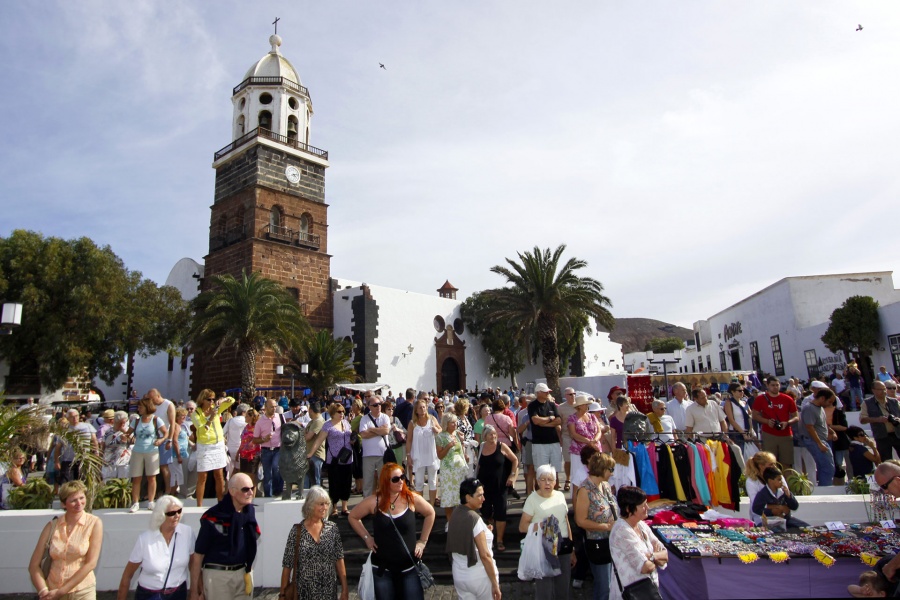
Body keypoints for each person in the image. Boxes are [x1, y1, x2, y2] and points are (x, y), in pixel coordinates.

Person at [348, 463, 436, 600]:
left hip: (409, 567)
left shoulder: (411, 499)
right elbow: (353, 516)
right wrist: (367, 537)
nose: (401, 481)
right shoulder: (374, 501)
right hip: (383, 569)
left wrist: (422, 541)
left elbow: (430, 513)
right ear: (385, 482)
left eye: (402, 477)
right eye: (395, 479)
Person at [28, 480, 104, 600]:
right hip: (52, 590)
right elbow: (33, 566)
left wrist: (61, 591)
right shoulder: (52, 526)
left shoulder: (94, 523)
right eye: (73, 500)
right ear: (64, 504)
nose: (79, 503)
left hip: (83, 592)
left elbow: (91, 563)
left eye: (81, 498)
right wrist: (44, 592)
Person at [191, 473, 260, 600]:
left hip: (243, 573)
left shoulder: (249, 512)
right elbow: (198, 554)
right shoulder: (213, 516)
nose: (250, 492)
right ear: (232, 491)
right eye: (245, 489)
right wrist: (194, 590)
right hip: (218, 577)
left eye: (252, 488)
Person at [117, 495, 194, 600]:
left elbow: (194, 565)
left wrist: (195, 591)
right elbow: (127, 574)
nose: (177, 515)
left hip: (178, 593)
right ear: (161, 515)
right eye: (171, 513)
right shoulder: (145, 539)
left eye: (179, 511)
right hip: (150, 595)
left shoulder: (187, 533)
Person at [279, 485, 348, 600]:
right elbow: (287, 565)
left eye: (327, 503)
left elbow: (339, 559)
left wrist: (345, 589)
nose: (325, 507)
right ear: (310, 505)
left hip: (328, 592)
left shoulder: (332, 529)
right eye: (321, 504)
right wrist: (282, 594)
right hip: (304, 593)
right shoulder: (297, 531)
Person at [519, 464, 574, 599]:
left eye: (550, 479)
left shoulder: (560, 496)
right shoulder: (532, 499)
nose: (547, 483)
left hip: (563, 547)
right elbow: (522, 527)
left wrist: (572, 549)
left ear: (555, 482)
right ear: (538, 482)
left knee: (563, 589)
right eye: (543, 479)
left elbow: (566, 521)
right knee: (545, 591)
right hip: (544, 548)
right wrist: (542, 525)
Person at [446, 478, 502, 600]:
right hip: (479, 576)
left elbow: (464, 533)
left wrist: (485, 530)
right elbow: (485, 555)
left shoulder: (456, 513)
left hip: (460, 575)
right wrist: (494, 584)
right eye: (479, 495)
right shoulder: (474, 518)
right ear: (468, 497)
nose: (483, 499)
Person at [608, 486, 667, 600]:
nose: (647, 507)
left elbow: (665, 554)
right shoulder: (622, 531)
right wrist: (655, 558)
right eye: (643, 505)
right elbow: (645, 567)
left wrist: (651, 556)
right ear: (629, 509)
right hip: (630, 594)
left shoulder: (641, 525)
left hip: (648, 591)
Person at [575, 452, 618, 600]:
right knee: (603, 586)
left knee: (610, 584)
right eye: (610, 469)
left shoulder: (605, 486)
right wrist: (606, 527)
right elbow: (580, 521)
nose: (612, 473)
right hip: (597, 543)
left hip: (611, 541)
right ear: (602, 469)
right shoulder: (585, 491)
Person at [476, 425, 518, 552]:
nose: (493, 436)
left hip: (500, 486)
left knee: (501, 512)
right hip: (484, 487)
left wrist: (512, 476)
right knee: (485, 511)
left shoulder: (501, 446)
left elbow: (515, 460)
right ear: (485, 436)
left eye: (494, 434)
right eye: (490, 434)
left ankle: (499, 540)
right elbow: (477, 465)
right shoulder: (481, 447)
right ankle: (489, 534)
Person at [191, 389, 234, 507]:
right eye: (209, 399)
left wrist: (223, 399)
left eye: (213, 399)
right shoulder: (196, 414)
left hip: (218, 444)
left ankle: (220, 502)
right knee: (202, 476)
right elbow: (202, 429)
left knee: (219, 475)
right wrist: (211, 417)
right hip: (205, 446)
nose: (211, 402)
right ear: (202, 400)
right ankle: (199, 505)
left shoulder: (216, 407)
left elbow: (232, 400)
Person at [309, 403, 353, 515]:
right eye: (339, 412)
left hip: (347, 458)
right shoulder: (327, 425)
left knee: (346, 482)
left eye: (343, 411)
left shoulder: (346, 423)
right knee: (334, 482)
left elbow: (350, 436)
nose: (342, 414)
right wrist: (310, 453)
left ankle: (345, 507)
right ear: (333, 413)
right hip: (334, 458)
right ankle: (334, 507)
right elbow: (319, 440)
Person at [128, 396, 169, 513]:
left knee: (152, 477)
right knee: (136, 478)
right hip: (137, 451)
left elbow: (165, 433)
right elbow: (128, 433)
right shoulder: (136, 421)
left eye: (140, 406)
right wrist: (125, 434)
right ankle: (135, 502)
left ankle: (151, 501)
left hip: (152, 451)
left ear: (147, 407)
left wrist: (161, 440)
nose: (139, 408)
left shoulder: (156, 420)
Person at [751, 376, 799, 471]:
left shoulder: (787, 399)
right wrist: (767, 421)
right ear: (767, 386)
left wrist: (787, 423)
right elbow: (754, 415)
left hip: (786, 434)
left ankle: (786, 484)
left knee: (787, 463)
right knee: (770, 463)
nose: (775, 387)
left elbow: (796, 416)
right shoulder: (761, 399)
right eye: (772, 385)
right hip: (769, 433)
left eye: (777, 385)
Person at [567, 394, 604, 497]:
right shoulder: (572, 418)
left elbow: (599, 430)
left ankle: (596, 494)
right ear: (579, 406)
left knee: (595, 470)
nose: (587, 406)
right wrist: (588, 441)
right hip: (578, 451)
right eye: (584, 404)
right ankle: (578, 496)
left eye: (587, 404)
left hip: (595, 448)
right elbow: (573, 434)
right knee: (578, 474)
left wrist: (595, 440)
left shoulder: (592, 416)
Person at [405, 398, 441, 504]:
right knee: (419, 482)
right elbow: (409, 440)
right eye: (420, 407)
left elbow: (441, 430)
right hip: (418, 456)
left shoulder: (432, 419)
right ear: (416, 410)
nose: (423, 409)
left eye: (424, 407)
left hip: (431, 455)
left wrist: (437, 430)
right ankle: (420, 507)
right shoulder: (412, 423)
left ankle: (432, 506)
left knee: (433, 481)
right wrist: (408, 456)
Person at [799, 388, 837, 486]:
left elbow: (822, 423)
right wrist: (819, 443)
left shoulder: (819, 408)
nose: (830, 404)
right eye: (829, 401)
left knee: (825, 467)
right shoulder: (809, 408)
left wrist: (831, 432)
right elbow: (809, 427)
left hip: (821, 440)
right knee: (827, 468)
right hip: (815, 441)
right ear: (822, 398)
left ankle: (824, 488)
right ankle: (825, 491)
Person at [436, 412, 469, 523]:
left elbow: (460, 450)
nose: (455, 425)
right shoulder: (440, 436)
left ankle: (460, 521)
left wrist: (464, 455)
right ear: (446, 424)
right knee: (449, 496)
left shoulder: (456, 434)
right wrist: (448, 446)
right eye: (452, 423)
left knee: (459, 495)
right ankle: (450, 522)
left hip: (459, 470)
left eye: (456, 422)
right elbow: (440, 455)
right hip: (448, 470)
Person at [360, 395, 392, 497]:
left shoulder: (385, 417)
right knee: (368, 483)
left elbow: (386, 431)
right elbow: (363, 434)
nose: (378, 406)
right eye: (375, 405)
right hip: (368, 455)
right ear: (369, 407)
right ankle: (367, 506)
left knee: (383, 482)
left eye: (379, 404)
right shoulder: (364, 419)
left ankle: (384, 505)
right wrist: (379, 430)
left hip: (383, 454)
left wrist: (371, 429)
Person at [253, 398, 286, 498]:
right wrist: (264, 439)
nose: (274, 409)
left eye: (275, 406)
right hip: (266, 450)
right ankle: (268, 496)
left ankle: (277, 491)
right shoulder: (260, 422)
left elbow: (285, 431)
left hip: (278, 449)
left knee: (276, 468)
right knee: (267, 475)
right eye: (272, 407)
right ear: (266, 408)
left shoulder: (280, 417)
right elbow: (255, 440)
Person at [528, 383, 564, 475]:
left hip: (554, 442)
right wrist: (550, 418)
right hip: (539, 443)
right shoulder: (532, 405)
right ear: (538, 392)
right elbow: (536, 420)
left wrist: (544, 423)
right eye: (545, 391)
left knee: (555, 470)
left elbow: (559, 420)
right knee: (541, 471)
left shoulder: (552, 405)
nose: (547, 393)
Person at [860, 380, 900, 462]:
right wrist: (878, 419)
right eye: (880, 389)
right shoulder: (867, 403)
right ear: (873, 390)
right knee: (886, 461)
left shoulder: (894, 401)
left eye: (884, 389)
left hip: (897, 434)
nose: (884, 391)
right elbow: (862, 420)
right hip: (882, 436)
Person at [743, 452, 782, 524]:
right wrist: (776, 507)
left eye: (774, 464)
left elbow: (783, 494)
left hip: (780, 516)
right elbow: (756, 503)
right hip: (760, 517)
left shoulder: (778, 476)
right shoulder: (751, 481)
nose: (774, 467)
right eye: (771, 464)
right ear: (761, 466)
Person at [558, 387, 579, 492]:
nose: (573, 396)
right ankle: (568, 479)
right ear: (566, 396)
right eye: (570, 394)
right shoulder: (561, 408)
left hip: (579, 436)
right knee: (568, 460)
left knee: (580, 460)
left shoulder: (579, 405)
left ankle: (578, 479)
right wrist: (560, 438)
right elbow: (558, 424)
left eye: (574, 393)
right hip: (566, 436)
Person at [102, 411, 133, 480]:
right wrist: (119, 438)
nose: (122, 424)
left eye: (124, 422)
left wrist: (124, 431)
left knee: (124, 483)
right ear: (115, 422)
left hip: (124, 462)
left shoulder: (128, 430)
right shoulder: (109, 431)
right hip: (110, 463)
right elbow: (107, 443)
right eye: (120, 423)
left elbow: (133, 441)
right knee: (109, 483)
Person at [304, 401, 326, 490]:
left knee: (315, 481)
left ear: (311, 410)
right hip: (309, 454)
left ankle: (316, 499)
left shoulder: (318, 421)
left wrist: (304, 433)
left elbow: (308, 437)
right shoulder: (312, 422)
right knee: (307, 479)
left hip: (316, 454)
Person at [237, 409, 261, 492]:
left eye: (247, 416)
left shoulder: (257, 428)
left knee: (251, 477)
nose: (245, 417)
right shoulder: (246, 427)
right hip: (243, 454)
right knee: (244, 476)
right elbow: (242, 441)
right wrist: (238, 453)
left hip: (253, 455)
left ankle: (252, 497)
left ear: (251, 417)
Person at [169, 408, 192, 496]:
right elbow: (175, 441)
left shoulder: (181, 426)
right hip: (176, 455)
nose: (184, 418)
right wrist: (178, 455)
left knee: (178, 476)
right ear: (177, 417)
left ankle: (174, 493)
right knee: (175, 476)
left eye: (185, 416)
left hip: (183, 453)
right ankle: (172, 493)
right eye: (182, 416)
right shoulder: (176, 426)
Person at [223, 404, 249, 479]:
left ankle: (230, 489)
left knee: (230, 472)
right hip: (242, 449)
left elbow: (222, 433)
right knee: (241, 472)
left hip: (230, 449)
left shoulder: (230, 420)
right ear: (244, 412)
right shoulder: (246, 422)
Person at [349, 397, 365, 495]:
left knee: (358, 466)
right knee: (356, 466)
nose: (352, 407)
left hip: (358, 443)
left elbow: (350, 428)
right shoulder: (355, 417)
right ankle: (358, 486)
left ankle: (360, 487)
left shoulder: (360, 417)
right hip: (354, 443)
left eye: (354, 405)